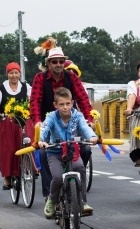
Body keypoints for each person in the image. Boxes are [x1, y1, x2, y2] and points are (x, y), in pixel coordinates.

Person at [30, 46, 94, 204]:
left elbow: (83, 99)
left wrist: (89, 119)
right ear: (48, 64)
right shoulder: (40, 78)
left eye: (61, 61)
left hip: (69, 122)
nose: (58, 64)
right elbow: (35, 101)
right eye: (54, 62)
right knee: (44, 153)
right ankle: (48, 193)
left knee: (85, 149)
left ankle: (74, 178)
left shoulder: (71, 77)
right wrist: (38, 121)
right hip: (48, 122)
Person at [38, 88, 98, 217]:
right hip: (55, 152)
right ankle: (52, 201)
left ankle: (82, 201)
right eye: (61, 104)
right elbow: (45, 129)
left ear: (72, 103)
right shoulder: (51, 117)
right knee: (58, 177)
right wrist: (41, 141)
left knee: (80, 168)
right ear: (55, 105)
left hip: (72, 151)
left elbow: (84, 127)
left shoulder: (78, 116)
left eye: (67, 104)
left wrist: (92, 136)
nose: (65, 107)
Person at [0, 62, 32, 190]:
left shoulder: (26, 87)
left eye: (16, 73)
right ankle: (7, 176)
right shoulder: (1, 88)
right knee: (8, 149)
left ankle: (28, 168)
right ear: (7, 74)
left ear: (20, 74)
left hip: (23, 120)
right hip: (7, 121)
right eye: (11, 73)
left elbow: (33, 101)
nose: (14, 75)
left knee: (26, 143)